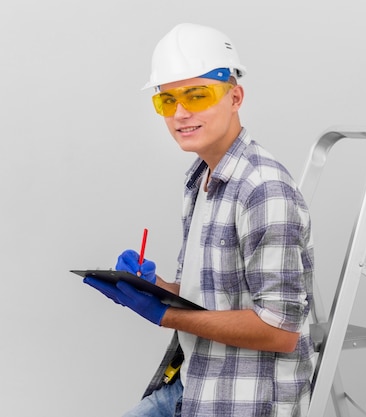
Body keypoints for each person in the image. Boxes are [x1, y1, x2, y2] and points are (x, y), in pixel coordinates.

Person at [83, 22, 315, 417]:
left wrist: (164, 314)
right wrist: (153, 286)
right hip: (192, 385)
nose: (181, 113)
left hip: (242, 401)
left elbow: (280, 332)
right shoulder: (201, 179)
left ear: (235, 97)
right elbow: (213, 299)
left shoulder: (263, 191)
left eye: (197, 95)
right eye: (167, 101)